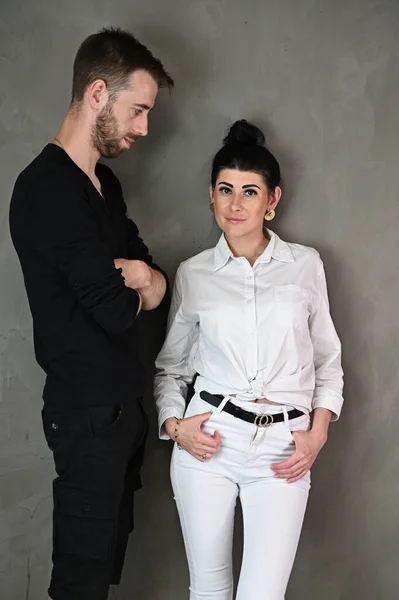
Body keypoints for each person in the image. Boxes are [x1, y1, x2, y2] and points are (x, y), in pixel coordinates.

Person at [9, 27, 173, 600]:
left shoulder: (104, 185)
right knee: (78, 584)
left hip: (122, 413)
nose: (144, 128)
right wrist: (133, 283)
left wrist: (142, 277)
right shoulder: (46, 190)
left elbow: (155, 284)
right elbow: (116, 310)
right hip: (85, 418)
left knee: (100, 576)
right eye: (138, 110)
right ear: (98, 93)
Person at [154, 120, 344, 600]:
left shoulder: (306, 265)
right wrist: (177, 428)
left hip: (285, 447)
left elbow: (328, 360)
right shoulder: (193, 273)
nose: (236, 204)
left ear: (272, 200)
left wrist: (317, 434)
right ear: (212, 196)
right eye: (225, 190)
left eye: (250, 192)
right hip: (209, 441)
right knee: (209, 591)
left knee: (263, 594)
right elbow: (171, 368)